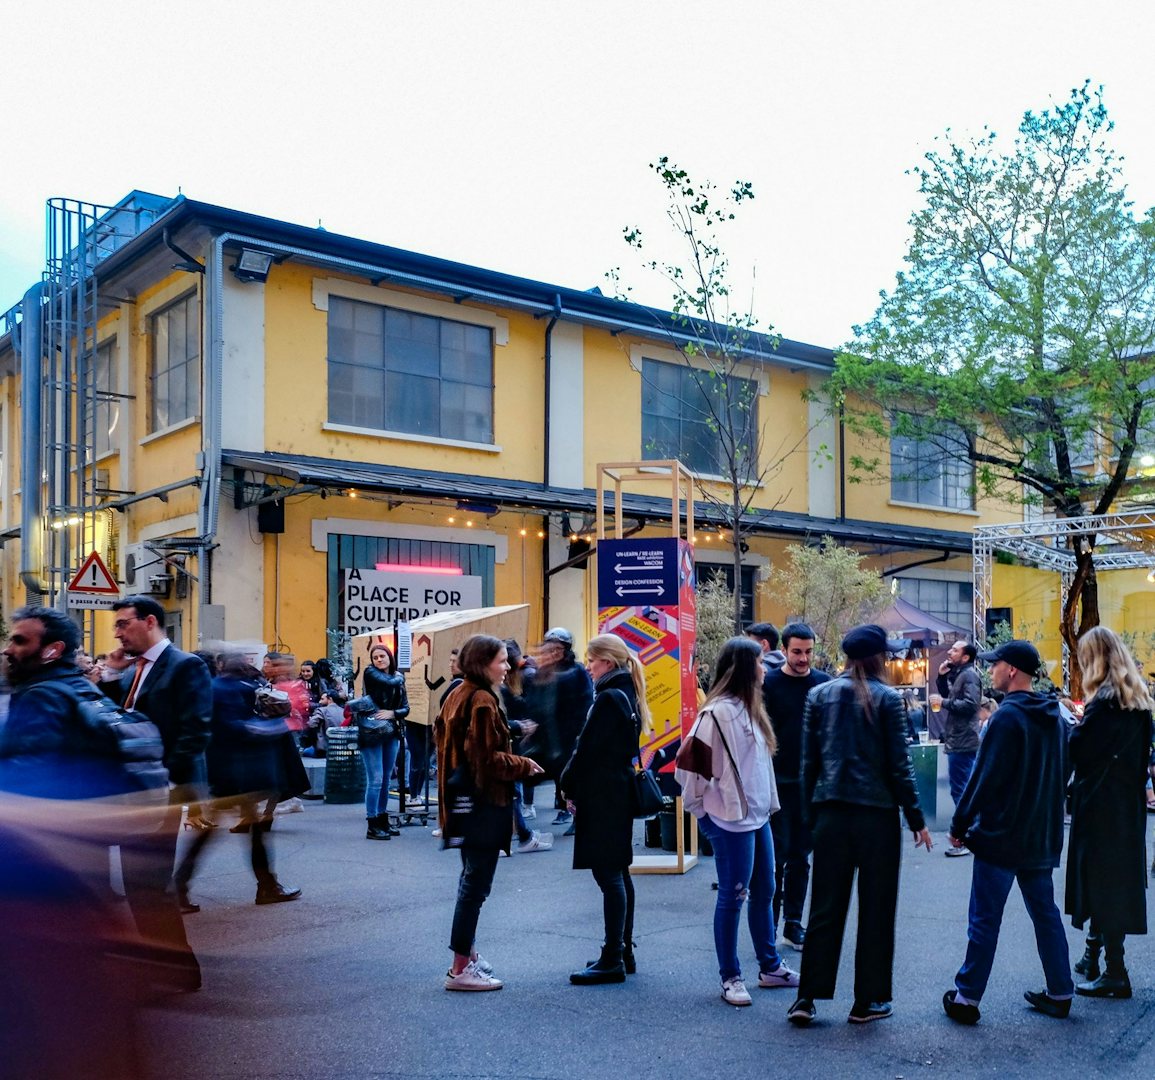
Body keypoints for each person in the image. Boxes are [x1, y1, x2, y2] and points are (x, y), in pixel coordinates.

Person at [787, 624, 932, 1027]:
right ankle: (867, 1001)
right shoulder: (888, 700)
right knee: (876, 910)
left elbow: (808, 766)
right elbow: (899, 766)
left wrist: (809, 817)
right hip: (877, 817)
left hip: (830, 813)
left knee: (825, 907)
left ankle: (807, 998)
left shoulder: (818, 695)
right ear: (878, 658)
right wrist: (916, 818)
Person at [942, 640, 1073, 1026]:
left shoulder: (1005, 718)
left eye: (995, 665)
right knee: (1045, 914)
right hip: (1040, 833)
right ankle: (1061, 990)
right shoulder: (1056, 714)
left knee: (985, 918)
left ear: (1012, 670)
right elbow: (1064, 772)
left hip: (1001, 835)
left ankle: (967, 997)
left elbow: (983, 778)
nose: (990, 671)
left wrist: (959, 824)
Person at [678, 636, 800, 1007]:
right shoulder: (716, 713)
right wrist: (705, 811)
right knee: (734, 897)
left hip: (755, 816)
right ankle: (730, 976)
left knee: (764, 891)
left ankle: (769, 967)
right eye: (761, 662)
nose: (766, 669)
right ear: (746, 669)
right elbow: (690, 770)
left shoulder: (747, 708)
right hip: (733, 820)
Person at [100, 594, 212, 994]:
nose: (117, 633)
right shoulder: (134, 670)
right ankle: (168, 966)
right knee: (139, 884)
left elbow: (195, 730)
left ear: (149, 621)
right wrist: (112, 678)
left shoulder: (185, 666)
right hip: (135, 791)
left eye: (123, 624)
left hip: (162, 790)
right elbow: (122, 722)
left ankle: (177, 968)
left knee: (148, 883)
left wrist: (168, 782)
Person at [436, 635, 544, 990]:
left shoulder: (458, 693)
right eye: (501, 661)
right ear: (483, 664)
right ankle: (460, 967)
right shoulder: (481, 699)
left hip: (463, 803)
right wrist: (523, 764)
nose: (508, 667)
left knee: (469, 881)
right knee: (475, 887)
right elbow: (484, 760)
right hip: (483, 802)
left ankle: (466, 958)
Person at [1065, 627, 1153, 999]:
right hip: (1126, 808)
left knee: (1102, 885)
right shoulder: (1139, 703)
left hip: (1100, 808)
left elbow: (1080, 751)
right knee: (1113, 883)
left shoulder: (1102, 703)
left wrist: (1075, 727)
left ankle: (1115, 972)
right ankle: (1094, 957)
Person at [174, 653, 303, 908]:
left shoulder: (217, 687)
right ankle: (265, 886)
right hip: (243, 774)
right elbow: (238, 727)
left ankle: (265, 885)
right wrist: (273, 727)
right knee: (254, 831)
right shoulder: (233, 689)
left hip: (227, 772)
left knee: (239, 831)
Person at [560, 634, 649, 984]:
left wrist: (567, 783)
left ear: (607, 663)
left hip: (603, 795)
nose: (588, 666)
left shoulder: (609, 698)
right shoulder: (626, 694)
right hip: (616, 792)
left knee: (609, 875)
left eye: (592, 660)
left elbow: (587, 751)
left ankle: (612, 957)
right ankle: (621, 950)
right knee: (618, 873)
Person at [761, 621, 830, 951]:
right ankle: (769, 924)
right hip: (775, 784)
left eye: (808, 652)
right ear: (784, 650)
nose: (803, 658)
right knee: (775, 857)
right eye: (797, 652)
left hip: (811, 785)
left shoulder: (823, 685)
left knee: (802, 856)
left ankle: (792, 923)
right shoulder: (769, 684)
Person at [524, 628, 593, 829]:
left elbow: (585, 703)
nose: (553, 652)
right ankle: (563, 807)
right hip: (547, 734)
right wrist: (530, 724)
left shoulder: (576, 672)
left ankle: (575, 814)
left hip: (569, 734)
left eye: (557, 648)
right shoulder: (542, 673)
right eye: (550, 648)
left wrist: (582, 732)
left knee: (569, 776)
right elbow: (533, 701)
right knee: (550, 774)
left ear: (566, 650)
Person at [931, 639, 982, 856]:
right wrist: (942, 676)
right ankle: (970, 834)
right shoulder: (961, 674)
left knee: (961, 790)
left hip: (963, 740)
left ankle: (965, 837)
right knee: (963, 788)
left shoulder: (969, 675)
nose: (949, 652)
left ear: (965, 657)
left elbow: (971, 705)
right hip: (960, 739)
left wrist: (942, 702)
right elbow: (953, 695)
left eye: (955, 650)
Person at [501, 639, 552, 853]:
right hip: (507, 743)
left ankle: (521, 834)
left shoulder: (511, 684)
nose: (504, 667)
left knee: (512, 789)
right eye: (501, 662)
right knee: (510, 790)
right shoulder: (495, 690)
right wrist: (519, 725)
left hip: (512, 741)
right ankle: (518, 836)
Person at [360, 643, 409, 841]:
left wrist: (392, 713)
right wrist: (400, 676)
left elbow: (406, 708)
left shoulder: (397, 679)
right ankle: (372, 824)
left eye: (382, 656)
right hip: (371, 732)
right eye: (376, 657)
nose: (379, 660)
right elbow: (389, 683)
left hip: (390, 731)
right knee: (376, 779)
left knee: (386, 778)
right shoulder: (370, 672)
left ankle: (382, 819)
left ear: (389, 656)